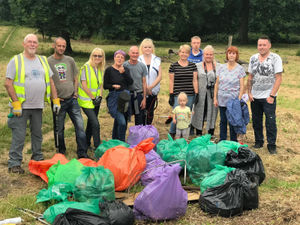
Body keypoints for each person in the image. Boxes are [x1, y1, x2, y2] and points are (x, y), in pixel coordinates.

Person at [5, 33, 60, 174]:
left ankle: (37, 159)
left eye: (35, 42)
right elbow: (8, 83)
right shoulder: (16, 60)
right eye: (29, 42)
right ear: (24, 44)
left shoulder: (42, 60)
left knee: (37, 134)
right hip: (21, 107)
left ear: (38, 45)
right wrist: (16, 103)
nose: (32, 44)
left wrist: (55, 100)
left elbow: (51, 81)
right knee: (19, 135)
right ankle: (14, 163)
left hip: (37, 106)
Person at [48, 37, 88, 158]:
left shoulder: (70, 60)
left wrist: (75, 91)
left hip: (72, 100)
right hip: (58, 101)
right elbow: (48, 81)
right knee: (59, 128)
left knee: (80, 126)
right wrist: (53, 97)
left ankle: (82, 153)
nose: (61, 48)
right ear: (54, 46)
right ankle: (61, 151)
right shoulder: (48, 61)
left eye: (63, 46)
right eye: (59, 46)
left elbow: (76, 78)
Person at [247, 37, 283, 154]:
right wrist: (249, 92)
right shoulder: (253, 58)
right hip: (255, 96)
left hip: (268, 96)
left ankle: (271, 145)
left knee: (270, 121)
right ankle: (258, 141)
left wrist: (272, 95)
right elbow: (250, 77)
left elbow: (278, 78)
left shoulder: (275, 58)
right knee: (256, 120)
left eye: (264, 45)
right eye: (259, 45)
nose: (261, 47)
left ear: (269, 45)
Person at [214, 46, 246, 142]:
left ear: (236, 55)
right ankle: (222, 139)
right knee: (223, 120)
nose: (231, 55)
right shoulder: (221, 67)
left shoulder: (240, 69)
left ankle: (233, 140)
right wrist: (215, 98)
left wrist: (238, 99)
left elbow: (242, 86)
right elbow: (217, 84)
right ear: (227, 55)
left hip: (233, 100)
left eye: (233, 53)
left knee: (233, 121)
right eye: (230, 53)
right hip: (222, 98)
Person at [168, 44, 198, 138]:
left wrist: (197, 93)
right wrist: (171, 94)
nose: (184, 54)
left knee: (186, 115)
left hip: (190, 94)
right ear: (179, 53)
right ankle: (172, 132)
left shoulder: (193, 66)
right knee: (177, 114)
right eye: (182, 52)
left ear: (189, 54)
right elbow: (171, 81)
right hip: (178, 94)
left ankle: (184, 134)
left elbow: (195, 80)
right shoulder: (173, 66)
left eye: (186, 52)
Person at [78, 48, 105, 150]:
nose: (97, 58)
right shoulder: (85, 67)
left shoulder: (99, 69)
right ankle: (98, 147)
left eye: (99, 56)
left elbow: (100, 85)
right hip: (86, 101)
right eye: (95, 55)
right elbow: (84, 85)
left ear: (102, 58)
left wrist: (100, 97)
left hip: (96, 101)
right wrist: (93, 98)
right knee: (95, 124)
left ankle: (86, 143)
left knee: (90, 123)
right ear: (91, 56)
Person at [104, 50, 133, 141]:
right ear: (114, 58)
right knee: (122, 122)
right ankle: (121, 142)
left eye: (122, 57)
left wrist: (123, 73)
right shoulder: (109, 70)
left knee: (118, 121)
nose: (119, 59)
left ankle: (115, 140)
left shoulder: (125, 69)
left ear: (124, 59)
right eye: (118, 56)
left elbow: (130, 82)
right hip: (113, 98)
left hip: (124, 98)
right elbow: (105, 85)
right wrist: (113, 86)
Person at [192, 45, 220, 136]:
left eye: (211, 54)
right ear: (203, 54)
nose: (209, 56)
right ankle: (199, 132)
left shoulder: (219, 66)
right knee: (200, 111)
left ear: (213, 55)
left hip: (213, 94)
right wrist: (196, 92)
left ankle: (210, 132)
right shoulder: (198, 66)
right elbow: (195, 79)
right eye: (207, 54)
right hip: (201, 93)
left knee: (212, 112)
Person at [138, 38, 162, 124]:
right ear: (142, 48)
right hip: (141, 90)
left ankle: (148, 129)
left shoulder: (157, 60)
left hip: (153, 90)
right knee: (141, 111)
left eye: (149, 47)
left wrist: (150, 87)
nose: (147, 49)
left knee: (150, 112)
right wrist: (145, 89)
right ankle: (141, 130)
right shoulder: (138, 60)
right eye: (145, 47)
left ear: (152, 48)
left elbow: (159, 76)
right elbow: (138, 76)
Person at [124, 46, 147, 125]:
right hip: (127, 94)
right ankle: (121, 137)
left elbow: (144, 83)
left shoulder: (142, 66)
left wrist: (144, 98)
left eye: (136, 53)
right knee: (125, 117)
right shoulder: (124, 65)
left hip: (138, 94)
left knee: (139, 118)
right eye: (133, 53)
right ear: (129, 53)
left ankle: (138, 136)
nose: (135, 55)